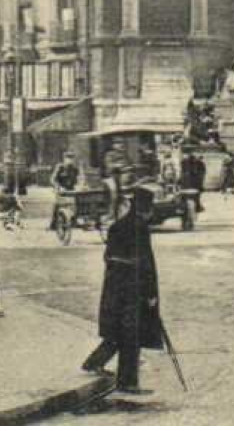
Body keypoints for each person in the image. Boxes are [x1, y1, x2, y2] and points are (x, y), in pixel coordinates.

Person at [82, 185, 165, 394]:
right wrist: (150, 294)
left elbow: (108, 257)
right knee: (131, 336)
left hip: (114, 288)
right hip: (133, 290)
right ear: (146, 208)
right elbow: (145, 264)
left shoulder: (117, 226)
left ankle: (93, 362)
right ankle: (127, 383)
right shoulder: (140, 228)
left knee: (117, 331)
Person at [49, 151, 81, 229]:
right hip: (61, 190)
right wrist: (58, 186)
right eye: (68, 158)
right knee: (58, 204)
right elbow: (53, 179)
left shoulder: (75, 169)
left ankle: (74, 220)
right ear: (64, 159)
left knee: (78, 202)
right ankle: (54, 223)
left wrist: (79, 185)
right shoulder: (60, 167)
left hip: (71, 190)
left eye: (71, 158)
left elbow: (80, 178)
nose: (70, 160)